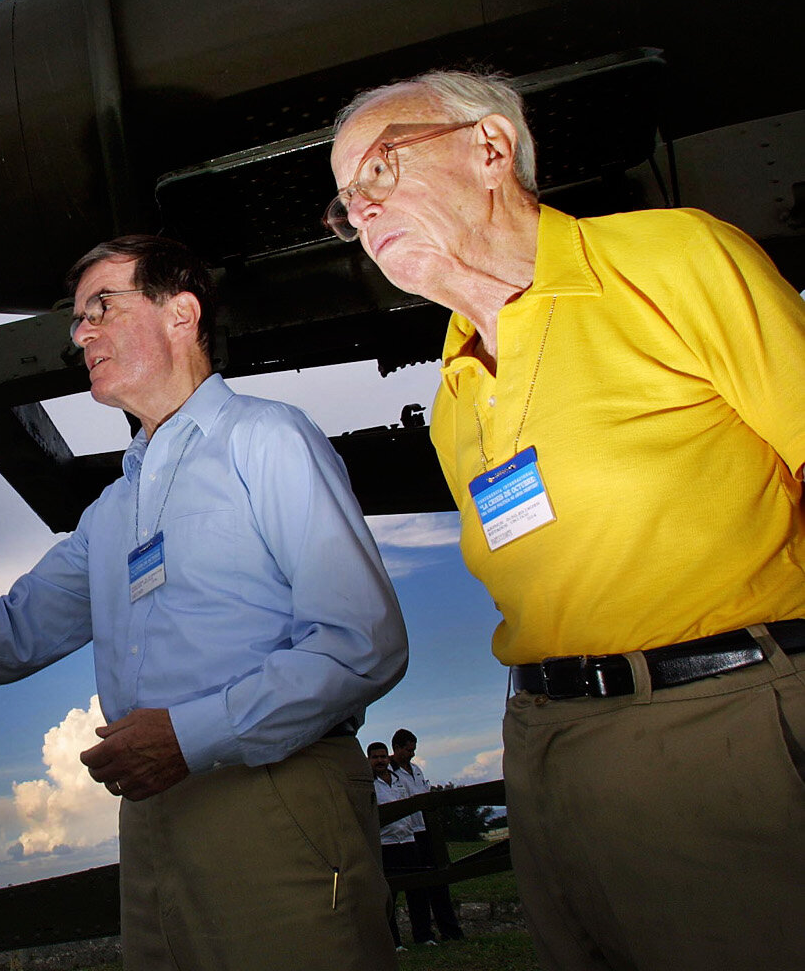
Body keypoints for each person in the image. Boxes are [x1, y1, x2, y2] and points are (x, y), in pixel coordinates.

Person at [0, 234, 408, 971]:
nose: (81, 332)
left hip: (276, 797)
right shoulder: (111, 512)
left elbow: (362, 642)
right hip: (155, 819)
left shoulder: (267, 439)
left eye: (102, 307)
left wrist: (190, 736)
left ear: (181, 314)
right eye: (76, 320)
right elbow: (6, 641)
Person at [327, 70, 805, 971]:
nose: (359, 210)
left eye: (380, 171)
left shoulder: (669, 259)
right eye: (346, 201)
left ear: (491, 148)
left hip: (721, 724)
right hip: (545, 751)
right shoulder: (451, 396)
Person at [388, 729, 462, 942]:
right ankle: (422, 934)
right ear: (397, 748)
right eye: (408, 750)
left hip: (425, 830)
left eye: (413, 750)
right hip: (407, 834)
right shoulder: (389, 773)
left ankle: (450, 930)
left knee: (439, 881)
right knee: (416, 887)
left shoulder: (416, 770)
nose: (411, 754)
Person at [367, 742, 425, 951]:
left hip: (408, 839)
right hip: (386, 843)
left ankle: (423, 935)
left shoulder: (399, 780)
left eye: (383, 756)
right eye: (375, 757)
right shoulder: (368, 784)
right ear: (369, 760)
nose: (380, 761)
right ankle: (394, 941)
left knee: (417, 889)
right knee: (390, 894)